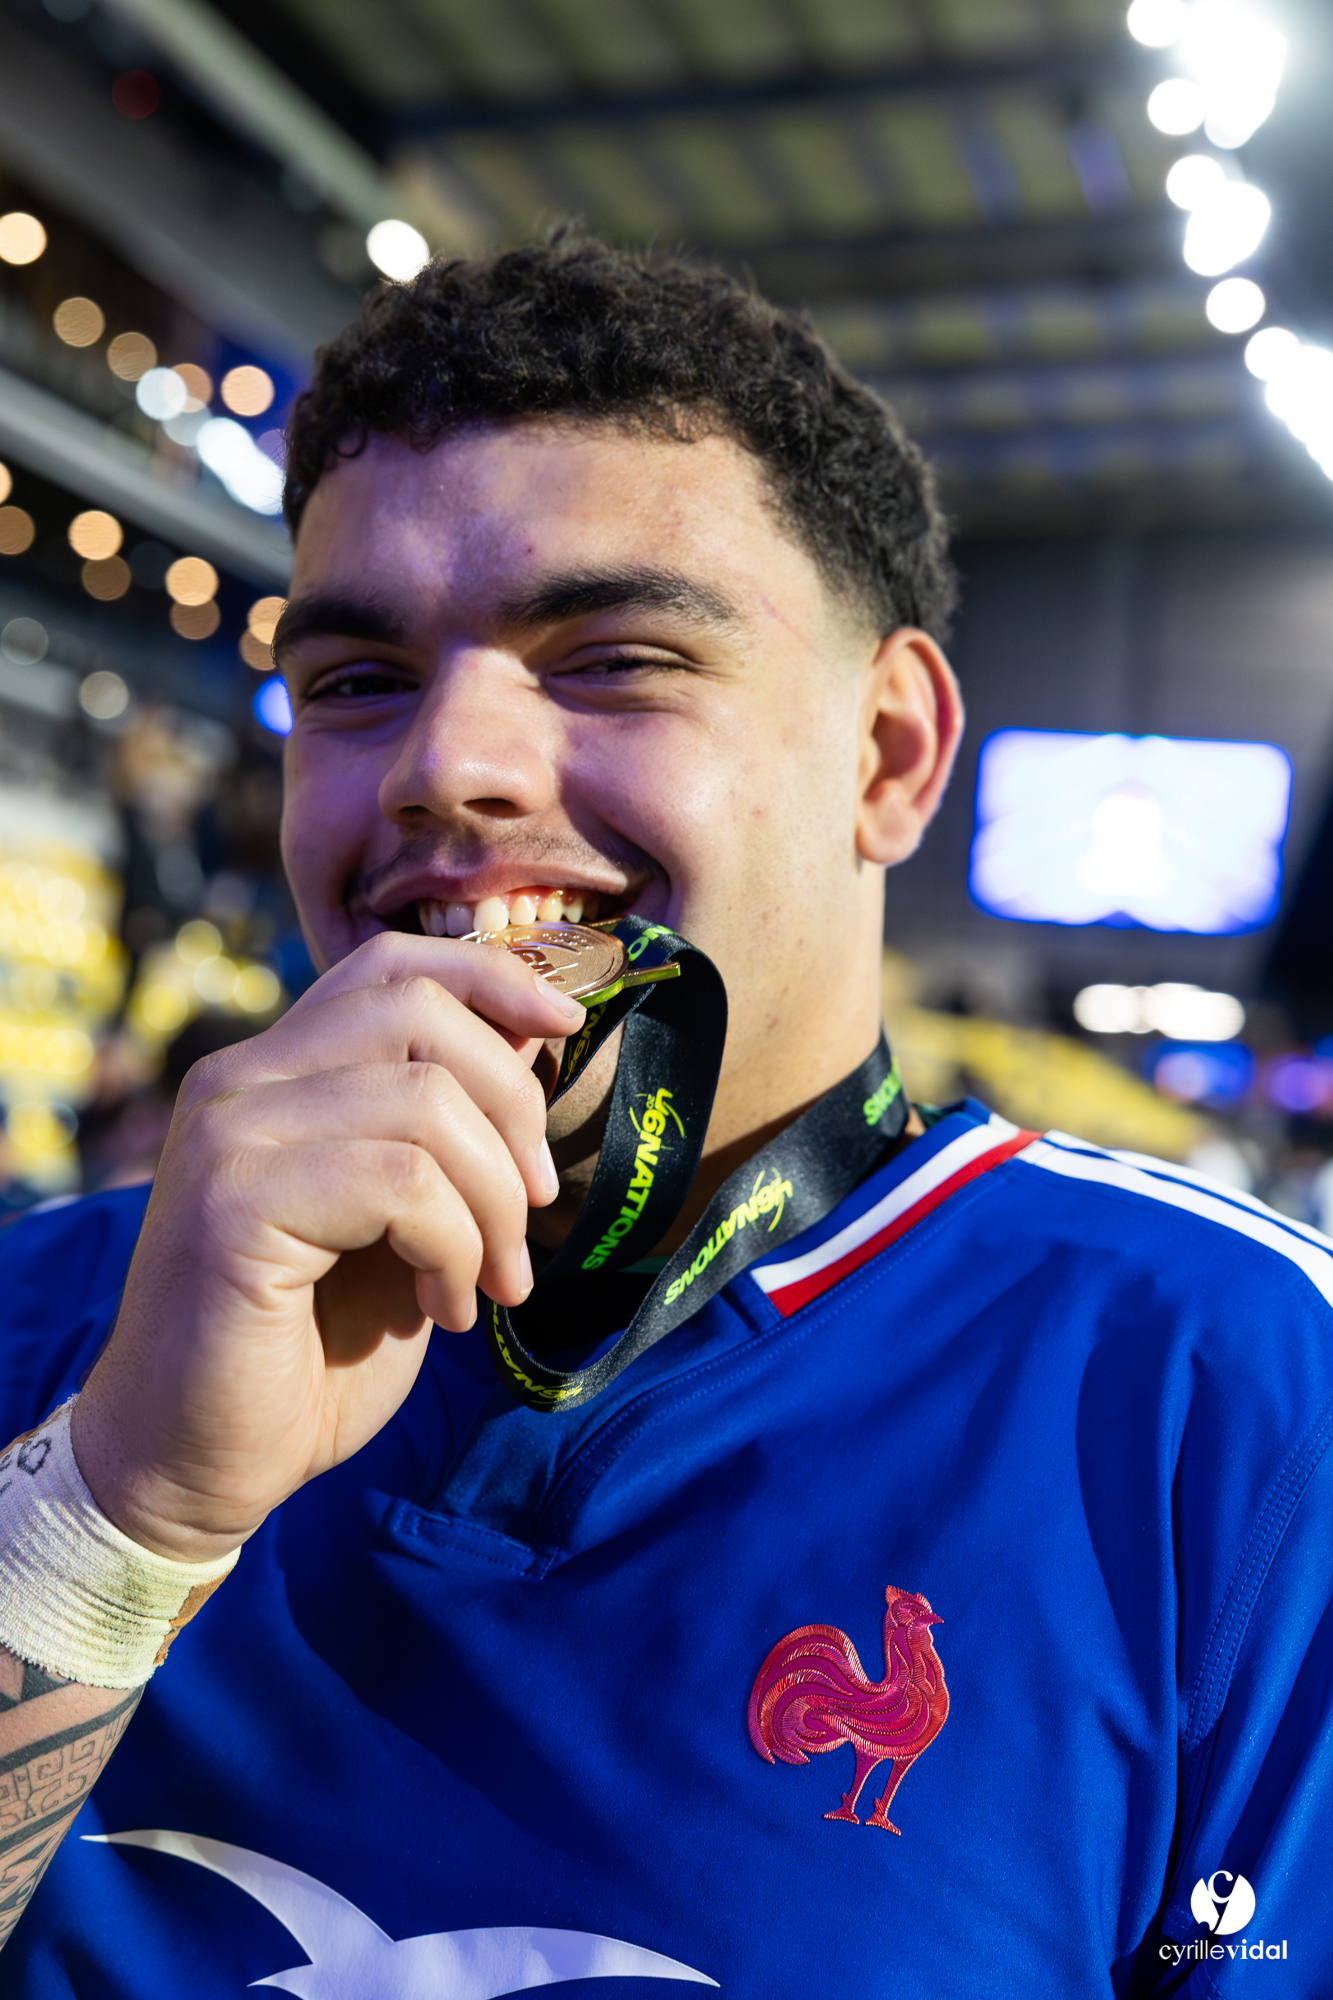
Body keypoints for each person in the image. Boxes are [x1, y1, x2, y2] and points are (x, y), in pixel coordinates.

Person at [0, 234, 1329, 1997]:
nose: (439, 767)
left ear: (888, 758)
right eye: (353, 681)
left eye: (612, 657)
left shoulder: (1229, 1405)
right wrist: (115, 1513)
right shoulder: (55, 1315)